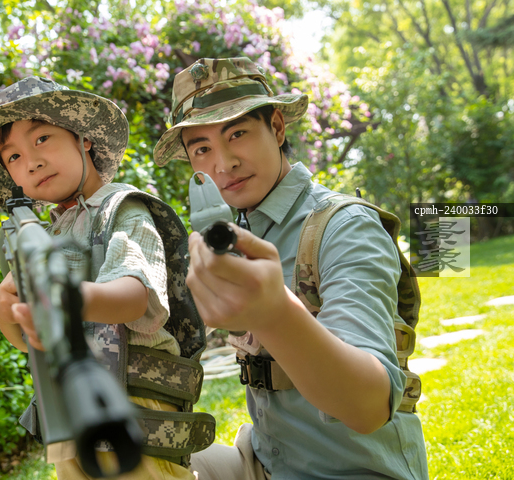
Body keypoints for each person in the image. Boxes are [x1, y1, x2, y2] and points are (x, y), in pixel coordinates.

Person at [153, 57, 428, 479]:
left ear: (277, 128)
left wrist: (274, 313)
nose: (223, 163)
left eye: (237, 134)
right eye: (202, 149)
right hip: (264, 463)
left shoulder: (344, 227)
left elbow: (369, 406)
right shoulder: (230, 234)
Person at [0, 76, 212, 480]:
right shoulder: (44, 235)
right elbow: (34, 342)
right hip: (71, 420)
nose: (31, 161)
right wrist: (5, 309)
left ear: (83, 138)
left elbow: (134, 296)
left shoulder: (121, 209)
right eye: (13, 156)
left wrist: (66, 295)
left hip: (135, 416)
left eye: (42, 139)